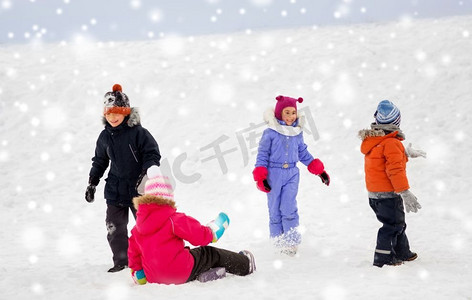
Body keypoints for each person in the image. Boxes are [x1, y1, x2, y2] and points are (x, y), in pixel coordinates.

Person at [128, 166, 256, 285]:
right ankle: (245, 264)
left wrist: (139, 274)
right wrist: (211, 232)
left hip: (153, 277)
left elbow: (133, 254)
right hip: (179, 273)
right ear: (167, 198)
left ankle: (204, 273)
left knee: (192, 255)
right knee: (209, 253)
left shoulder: (137, 229)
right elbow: (198, 236)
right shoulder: (173, 220)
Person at [85, 84, 161, 272]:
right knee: (115, 228)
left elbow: (151, 153)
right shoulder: (104, 136)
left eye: (117, 112)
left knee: (146, 227)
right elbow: (100, 161)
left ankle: (151, 258)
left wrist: (150, 170)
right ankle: (121, 261)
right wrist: (92, 182)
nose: (113, 117)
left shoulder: (138, 133)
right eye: (109, 114)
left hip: (138, 189)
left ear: (125, 112)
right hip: (115, 189)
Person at [252, 95, 330, 256]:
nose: (290, 117)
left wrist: (319, 170)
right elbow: (262, 155)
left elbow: (302, 152)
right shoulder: (270, 133)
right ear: (279, 114)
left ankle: (291, 244)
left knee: (288, 208)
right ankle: (277, 241)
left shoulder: (297, 132)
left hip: (292, 174)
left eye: (293, 112)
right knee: (274, 209)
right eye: (286, 113)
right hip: (274, 173)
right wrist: (261, 176)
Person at [358, 100, 426, 267]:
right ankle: (383, 257)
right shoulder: (391, 143)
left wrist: (406, 152)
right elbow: (395, 170)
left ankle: (403, 251)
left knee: (397, 223)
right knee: (392, 225)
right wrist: (405, 191)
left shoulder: (376, 140)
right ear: (397, 122)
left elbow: (385, 157)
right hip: (388, 194)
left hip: (375, 194)